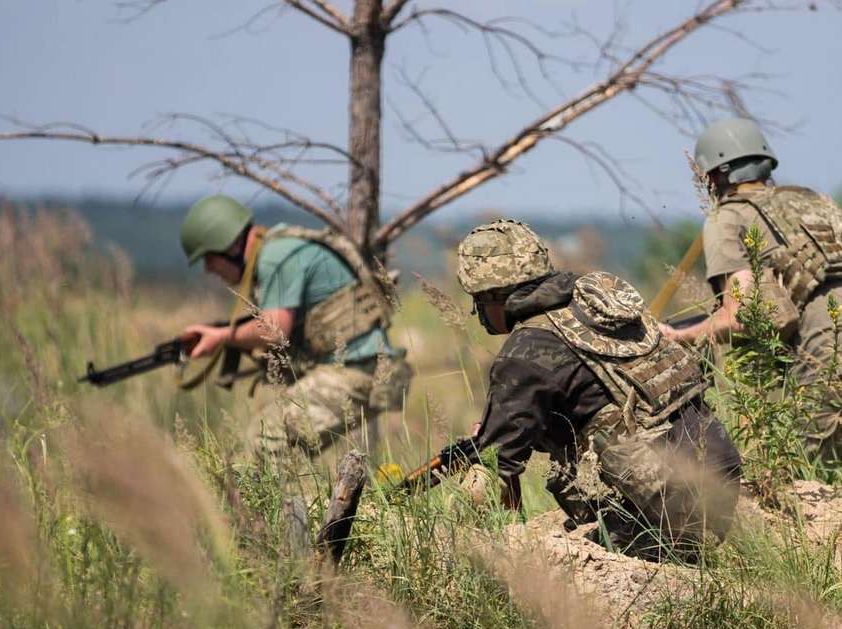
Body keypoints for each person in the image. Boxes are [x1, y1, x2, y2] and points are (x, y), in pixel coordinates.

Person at [456, 219, 742, 560]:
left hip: (669, 519)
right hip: (719, 489)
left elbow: (494, 467)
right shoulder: (596, 305)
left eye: (478, 302)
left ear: (491, 296)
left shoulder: (525, 350)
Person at [660, 118, 842, 463]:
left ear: (714, 176)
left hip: (836, 359)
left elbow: (740, 316)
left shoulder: (727, 218)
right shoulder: (815, 205)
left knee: (791, 474)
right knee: (831, 466)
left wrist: (676, 336)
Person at [178, 195, 410, 459]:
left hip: (359, 371)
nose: (208, 269)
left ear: (228, 246)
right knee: (274, 444)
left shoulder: (275, 256)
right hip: (356, 369)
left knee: (267, 439)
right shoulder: (277, 251)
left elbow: (274, 330)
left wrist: (222, 337)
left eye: (208, 258)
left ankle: (309, 502)